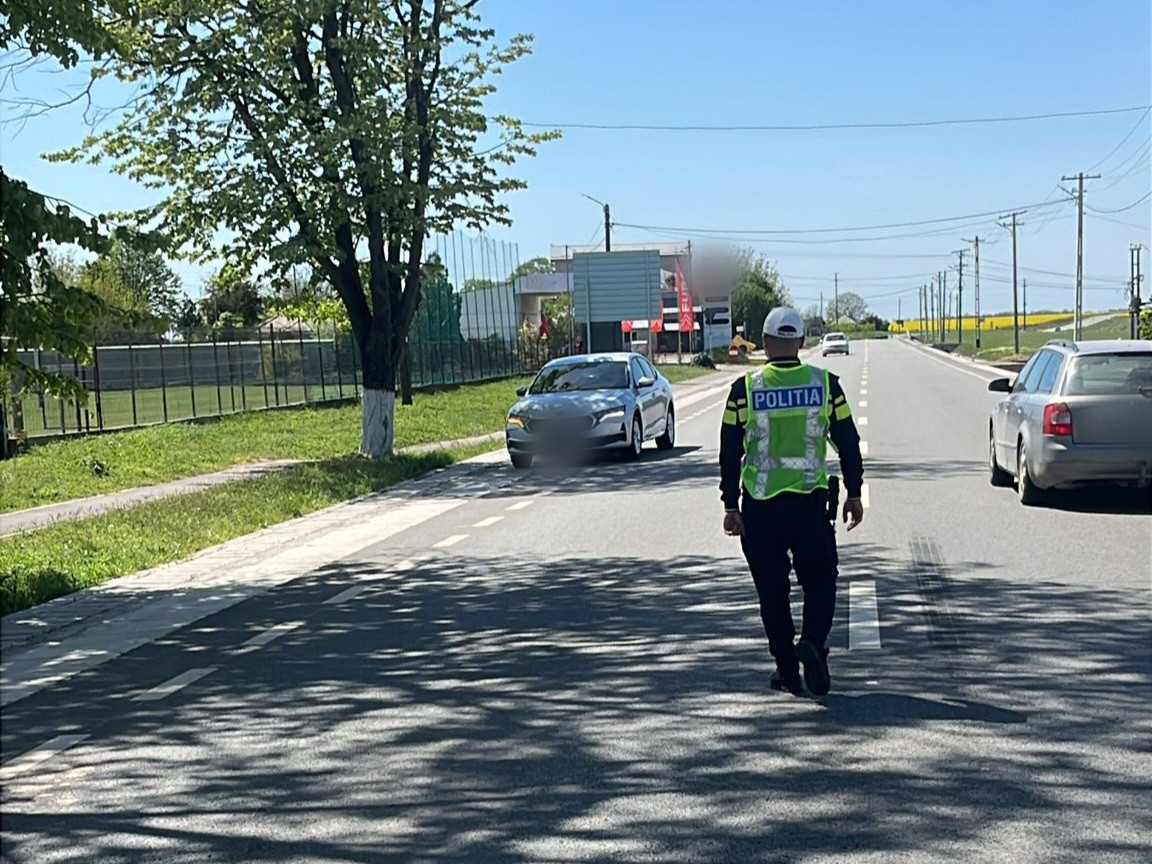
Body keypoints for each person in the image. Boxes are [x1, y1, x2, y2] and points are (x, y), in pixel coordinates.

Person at [719, 307, 865, 697]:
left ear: (765, 343)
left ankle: (786, 669)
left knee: (772, 592)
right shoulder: (825, 385)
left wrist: (730, 505)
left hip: (760, 508)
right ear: (800, 342)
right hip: (809, 505)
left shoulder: (744, 389)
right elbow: (848, 442)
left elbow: (730, 451)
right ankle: (813, 642)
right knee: (821, 579)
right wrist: (854, 492)